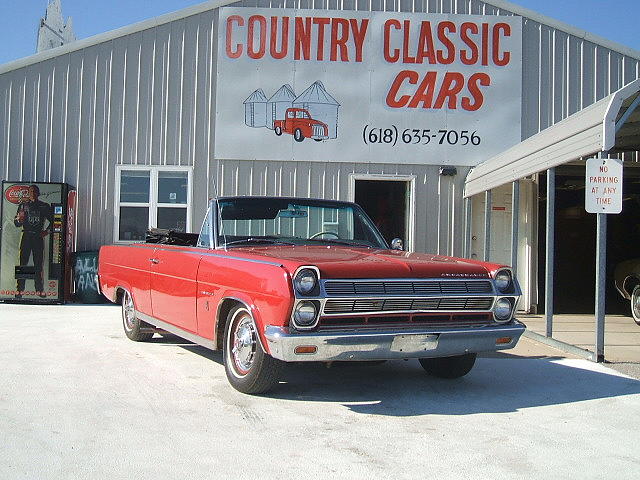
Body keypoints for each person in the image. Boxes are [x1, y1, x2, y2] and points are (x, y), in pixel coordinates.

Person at [13, 185, 52, 298]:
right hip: (26, 236)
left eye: (35, 191)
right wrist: (19, 220)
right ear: (28, 194)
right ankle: (20, 290)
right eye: (30, 192)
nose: (33, 193)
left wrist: (47, 231)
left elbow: (54, 220)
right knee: (23, 263)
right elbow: (16, 223)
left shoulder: (44, 206)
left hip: (37, 237)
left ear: (38, 193)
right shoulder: (23, 206)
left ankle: (39, 289)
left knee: (38, 264)